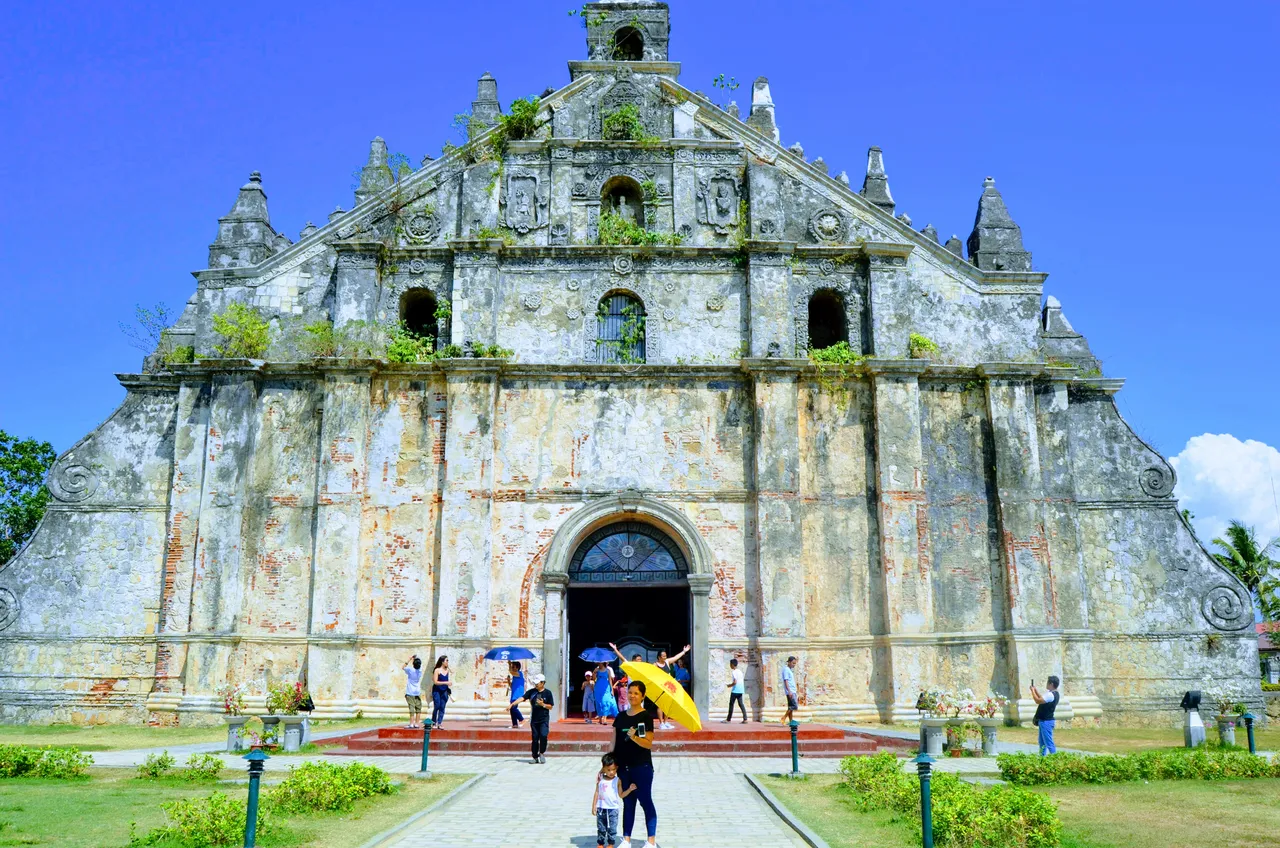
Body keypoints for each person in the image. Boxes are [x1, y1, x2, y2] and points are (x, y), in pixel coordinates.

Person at [613, 680, 659, 848]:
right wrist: (608, 762)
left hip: (642, 766)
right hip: (623, 766)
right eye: (630, 692)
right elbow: (613, 741)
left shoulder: (646, 717)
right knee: (628, 802)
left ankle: (651, 841)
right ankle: (626, 839)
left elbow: (648, 743)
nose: (632, 696)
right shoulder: (620, 716)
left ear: (643, 696)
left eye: (636, 693)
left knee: (645, 801)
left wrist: (633, 737)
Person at [591, 752, 637, 848]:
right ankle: (600, 843)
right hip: (601, 808)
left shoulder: (617, 780)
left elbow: (621, 795)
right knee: (601, 827)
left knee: (612, 828)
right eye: (608, 770)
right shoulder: (600, 779)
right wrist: (594, 806)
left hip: (613, 809)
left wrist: (629, 789)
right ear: (603, 768)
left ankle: (611, 843)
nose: (611, 772)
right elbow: (596, 792)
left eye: (614, 769)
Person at [653, 645, 690, 729]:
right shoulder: (655, 665)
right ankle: (661, 723)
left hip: (668, 687)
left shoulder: (667, 662)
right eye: (663, 656)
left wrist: (684, 651)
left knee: (668, 705)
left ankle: (666, 722)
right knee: (660, 705)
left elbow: (676, 657)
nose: (665, 657)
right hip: (660, 687)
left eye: (665, 656)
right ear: (659, 657)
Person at [520, 673, 555, 763]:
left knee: (543, 735)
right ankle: (534, 757)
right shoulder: (532, 692)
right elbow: (523, 698)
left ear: (543, 683)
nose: (536, 684)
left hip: (544, 719)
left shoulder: (548, 693)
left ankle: (542, 753)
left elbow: (550, 706)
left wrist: (542, 704)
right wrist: (512, 704)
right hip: (534, 719)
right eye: (535, 683)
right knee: (535, 738)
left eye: (538, 683)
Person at [1030, 675, 1061, 756]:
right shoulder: (1053, 694)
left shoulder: (1050, 695)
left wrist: (1032, 691)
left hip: (1046, 721)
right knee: (1042, 742)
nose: (1046, 684)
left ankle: (1055, 759)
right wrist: (1036, 691)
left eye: (1047, 682)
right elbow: (1042, 698)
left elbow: (1038, 700)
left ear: (1051, 684)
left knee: (1048, 743)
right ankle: (1042, 759)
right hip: (1044, 721)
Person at [722, 657, 746, 723]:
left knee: (731, 704)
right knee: (741, 704)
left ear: (732, 665)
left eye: (730, 664)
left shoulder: (734, 672)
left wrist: (729, 685)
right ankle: (745, 718)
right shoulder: (740, 671)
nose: (730, 665)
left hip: (735, 690)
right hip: (741, 690)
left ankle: (728, 719)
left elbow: (735, 682)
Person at [403, 655, 424, 729]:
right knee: (418, 708)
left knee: (411, 708)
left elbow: (403, 667)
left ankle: (411, 723)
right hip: (417, 692)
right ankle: (417, 723)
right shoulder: (420, 671)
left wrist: (409, 659)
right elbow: (418, 665)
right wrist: (415, 659)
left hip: (410, 692)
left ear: (413, 664)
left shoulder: (410, 670)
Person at [430, 656, 451, 728]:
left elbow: (447, 680)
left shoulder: (447, 671)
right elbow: (435, 682)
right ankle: (433, 722)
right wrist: (446, 682)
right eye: (446, 660)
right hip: (437, 690)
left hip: (444, 691)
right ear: (442, 662)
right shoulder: (437, 670)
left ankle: (439, 722)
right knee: (437, 706)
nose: (447, 662)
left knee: (442, 707)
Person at [781, 655, 798, 724]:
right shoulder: (786, 670)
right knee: (794, 706)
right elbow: (786, 681)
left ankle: (791, 721)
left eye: (795, 663)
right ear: (789, 662)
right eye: (793, 663)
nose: (794, 665)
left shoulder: (789, 670)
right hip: (790, 691)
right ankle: (784, 717)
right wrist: (789, 691)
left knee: (790, 707)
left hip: (792, 690)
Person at [508, 661, 525, 729]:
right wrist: (509, 681)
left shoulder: (519, 674)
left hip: (518, 695)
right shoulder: (515, 677)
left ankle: (521, 719)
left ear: (517, 667)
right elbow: (512, 686)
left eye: (513, 667)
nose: (512, 668)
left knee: (513, 708)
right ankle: (514, 724)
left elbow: (511, 671)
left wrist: (509, 664)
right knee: (512, 710)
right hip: (513, 694)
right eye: (512, 667)